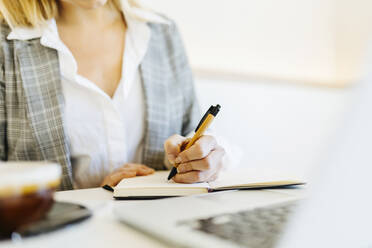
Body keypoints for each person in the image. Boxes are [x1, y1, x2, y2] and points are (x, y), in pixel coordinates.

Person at [0, 0, 227, 190]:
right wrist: (96, 199)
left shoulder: (161, 32)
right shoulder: (6, 47)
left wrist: (202, 159)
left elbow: (192, 130)